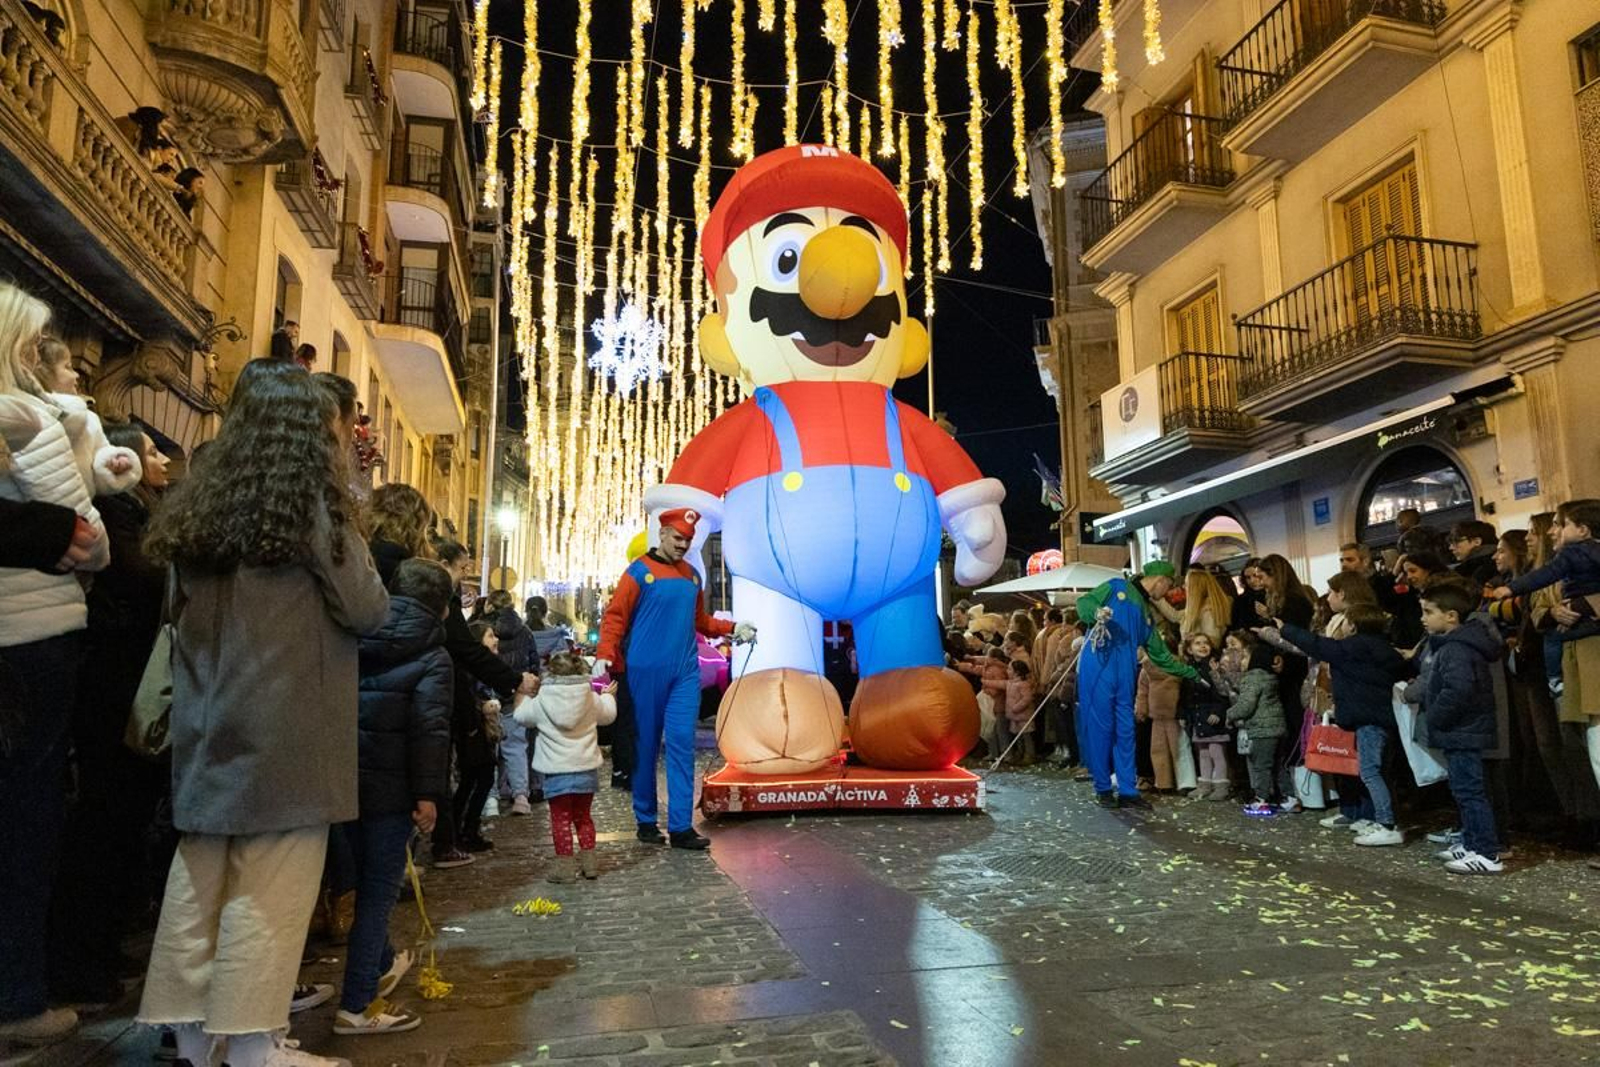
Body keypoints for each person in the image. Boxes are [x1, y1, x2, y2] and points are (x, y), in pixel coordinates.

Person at [136, 359, 391, 1067]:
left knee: (201, 877)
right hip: (287, 725)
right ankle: (252, 1040)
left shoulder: (200, 502)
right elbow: (367, 605)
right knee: (270, 887)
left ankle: (192, 1032)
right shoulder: (309, 504)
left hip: (207, 719)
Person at [0, 285, 112, 1044]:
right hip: (32, 641)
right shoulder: (29, 419)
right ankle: (16, 995)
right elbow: (90, 539)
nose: (51, 362)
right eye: (42, 346)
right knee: (26, 819)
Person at [47, 421, 170, 1004]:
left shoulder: (141, 510)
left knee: (124, 823)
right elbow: (143, 576)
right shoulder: (118, 510)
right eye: (151, 452)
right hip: (117, 684)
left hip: (131, 680)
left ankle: (101, 943)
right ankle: (79, 956)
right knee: (106, 818)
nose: (163, 461)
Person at [335, 558, 453, 1035]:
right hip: (392, 791)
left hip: (339, 781)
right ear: (441, 607)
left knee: (358, 884)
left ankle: (382, 961)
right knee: (378, 895)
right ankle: (357, 1004)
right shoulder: (432, 654)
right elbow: (430, 730)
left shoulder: (352, 633)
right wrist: (428, 795)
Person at [594, 509, 747, 850]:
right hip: (643, 673)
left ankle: (680, 827)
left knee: (681, 744)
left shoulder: (692, 577)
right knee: (646, 747)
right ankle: (646, 820)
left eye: (687, 540)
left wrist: (733, 628)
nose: (682, 545)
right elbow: (615, 616)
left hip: (684, 673)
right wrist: (605, 651)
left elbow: (701, 621)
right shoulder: (637, 573)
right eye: (677, 538)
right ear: (662, 534)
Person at [432, 540, 536, 866]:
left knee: (476, 770)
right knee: (463, 773)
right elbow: (466, 650)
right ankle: (451, 838)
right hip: (451, 699)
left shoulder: (448, 605)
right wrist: (514, 680)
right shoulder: (442, 605)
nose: (465, 576)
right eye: (462, 568)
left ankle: (459, 833)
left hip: (458, 698)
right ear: (444, 563)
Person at [1275, 603, 1412, 846]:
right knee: (1380, 771)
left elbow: (1317, 644)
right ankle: (1379, 818)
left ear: (1354, 625)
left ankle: (1386, 823)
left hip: (1367, 720)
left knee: (1370, 771)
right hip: (1384, 718)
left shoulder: (1352, 648)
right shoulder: (1386, 650)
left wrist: (1285, 628)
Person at [1075, 560, 1199, 809]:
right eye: (1168, 588)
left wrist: (1191, 672)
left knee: (1125, 730)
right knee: (1101, 727)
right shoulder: (1115, 586)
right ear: (1161, 580)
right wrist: (1095, 614)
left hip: (1125, 674)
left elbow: (1161, 655)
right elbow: (1084, 603)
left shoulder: (1146, 615)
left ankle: (1128, 790)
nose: (1165, 594)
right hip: (1099, 666)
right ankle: (1102, 788)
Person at [1420, 581, 1506, 874]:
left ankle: (1486, 852)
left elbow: (1458, 689)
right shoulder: (1456, 645)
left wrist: (1435, 717)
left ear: (1451, 616)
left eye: (1429, 612)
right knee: (1464, 789)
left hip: (1463, 729)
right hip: (1463, 729)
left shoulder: (1456, 648)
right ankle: (1471, 841)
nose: (1423, 618)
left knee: (1470, 791)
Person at [515, 651, 618, 882]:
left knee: (560, 819)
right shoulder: (589, 697)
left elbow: (521, 716)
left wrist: (522, 694)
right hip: (586, 770)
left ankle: (565, 869)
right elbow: (608, 715)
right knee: (584, 818)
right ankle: (590, 865)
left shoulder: (542, 700)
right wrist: (609, 696)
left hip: (556, 772)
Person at [1255, 554, 1315, 812]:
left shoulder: (1294, 603)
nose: (1261, 582)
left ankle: (1298, 788)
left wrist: (1268, 630)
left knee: (1293, 724)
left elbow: (1295, 639)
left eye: (1263, 577)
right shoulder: (1285, 601)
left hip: (1294, 671)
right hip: (1287, 669)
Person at [487, 589, 540, 815]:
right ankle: (521, 796)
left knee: (489, 747)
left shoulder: (484, 630)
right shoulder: (525, 631)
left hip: (488, 693)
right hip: (516, 694)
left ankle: (490, 800)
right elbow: (534, 664)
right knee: (516, 746)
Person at [1227, 643, 1288, 816]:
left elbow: (1246, 706)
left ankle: (1261, 800)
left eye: (1245, 657)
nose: (1242, 660)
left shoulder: (1252, 678)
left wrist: (1229, 714)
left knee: (1261, 766)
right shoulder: (1270, 677)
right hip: (1278, 728)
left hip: (1262, 731)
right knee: (1278, 766)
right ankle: (1289, 799)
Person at [1182, 633, 1232, 801]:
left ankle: (1221, 785)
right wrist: (1183, 715)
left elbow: (1222, 692)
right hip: (1198, 716)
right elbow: (1185, 695)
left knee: (1216, 751)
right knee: (1203, 752)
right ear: (1189, 649)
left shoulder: (1213, 667)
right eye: (1198, 643)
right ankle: (1205, 784)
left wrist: (1218, 711)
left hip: (1212, 715)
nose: (1203, 646)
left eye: (1206, 643)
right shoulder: (1188, 669)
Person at [1134, 650, 1183, 792]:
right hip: (1157, 715)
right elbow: (1142, 692)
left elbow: (1142, 693)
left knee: (1174, 749)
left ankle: (1171, 782)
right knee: (1162, 750)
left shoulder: (1173, 667)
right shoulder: (1147, 669)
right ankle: (1166, 782)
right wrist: (1142, 710)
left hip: (1171, 715)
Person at [1180, 568, 1233, 648]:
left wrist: (1192, 640)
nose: (1184, 587)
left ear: (1196, 589)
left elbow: (1213, 644)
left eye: (1187, 585)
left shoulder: (1208, 613)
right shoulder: (1200, 610)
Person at [1000, 659, 1037, 765]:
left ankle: (1029, 755)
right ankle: (1020, 753)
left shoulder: (1023, 684)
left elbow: (1027, 698)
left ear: (1017, 672)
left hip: (1023, 716)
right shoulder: (1011, 683)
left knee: (1026, 737)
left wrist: (1016, 708)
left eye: (1010, 669)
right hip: (1015, 716)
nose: (1007, 671)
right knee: (1018, 737)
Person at [1450, 520, 1500, 588]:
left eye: (1456, 541)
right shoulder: (1500, 563)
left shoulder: (1477, 571)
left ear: (1477, 542)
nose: (1451, 547)